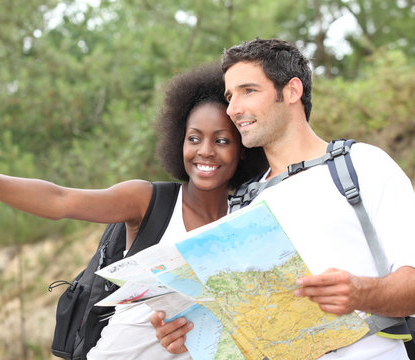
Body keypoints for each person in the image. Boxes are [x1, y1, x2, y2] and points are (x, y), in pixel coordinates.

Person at [0, 62, 268, 359]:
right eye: (194, 138)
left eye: (222, 140)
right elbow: (60, 200)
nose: (205, 151)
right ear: (178, 140)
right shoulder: (148, 201)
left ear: (242, 150)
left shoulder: (241, 224)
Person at [151, 38, 415, 359]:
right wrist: (188, 336)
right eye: (230, 96)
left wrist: (361, 292)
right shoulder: (244, 203)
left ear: (292, 91)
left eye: (248, 91)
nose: (233, 108)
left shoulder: (361, 165)